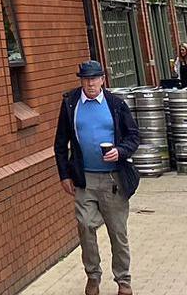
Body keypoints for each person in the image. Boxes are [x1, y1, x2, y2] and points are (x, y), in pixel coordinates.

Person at [55, 60, 141, 295]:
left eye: (94, 78)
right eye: (86, 79)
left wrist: (120, 152)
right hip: (85, 178)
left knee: (118, 232)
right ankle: (93, 275)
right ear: (81, 81)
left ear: (103, 79)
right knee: (84, 225)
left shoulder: (116, 104)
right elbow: (60, 143)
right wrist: (64, 174)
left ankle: (123, 280)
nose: (90, 83)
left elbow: (134, 136)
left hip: (113, 179)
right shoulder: (71, 103)